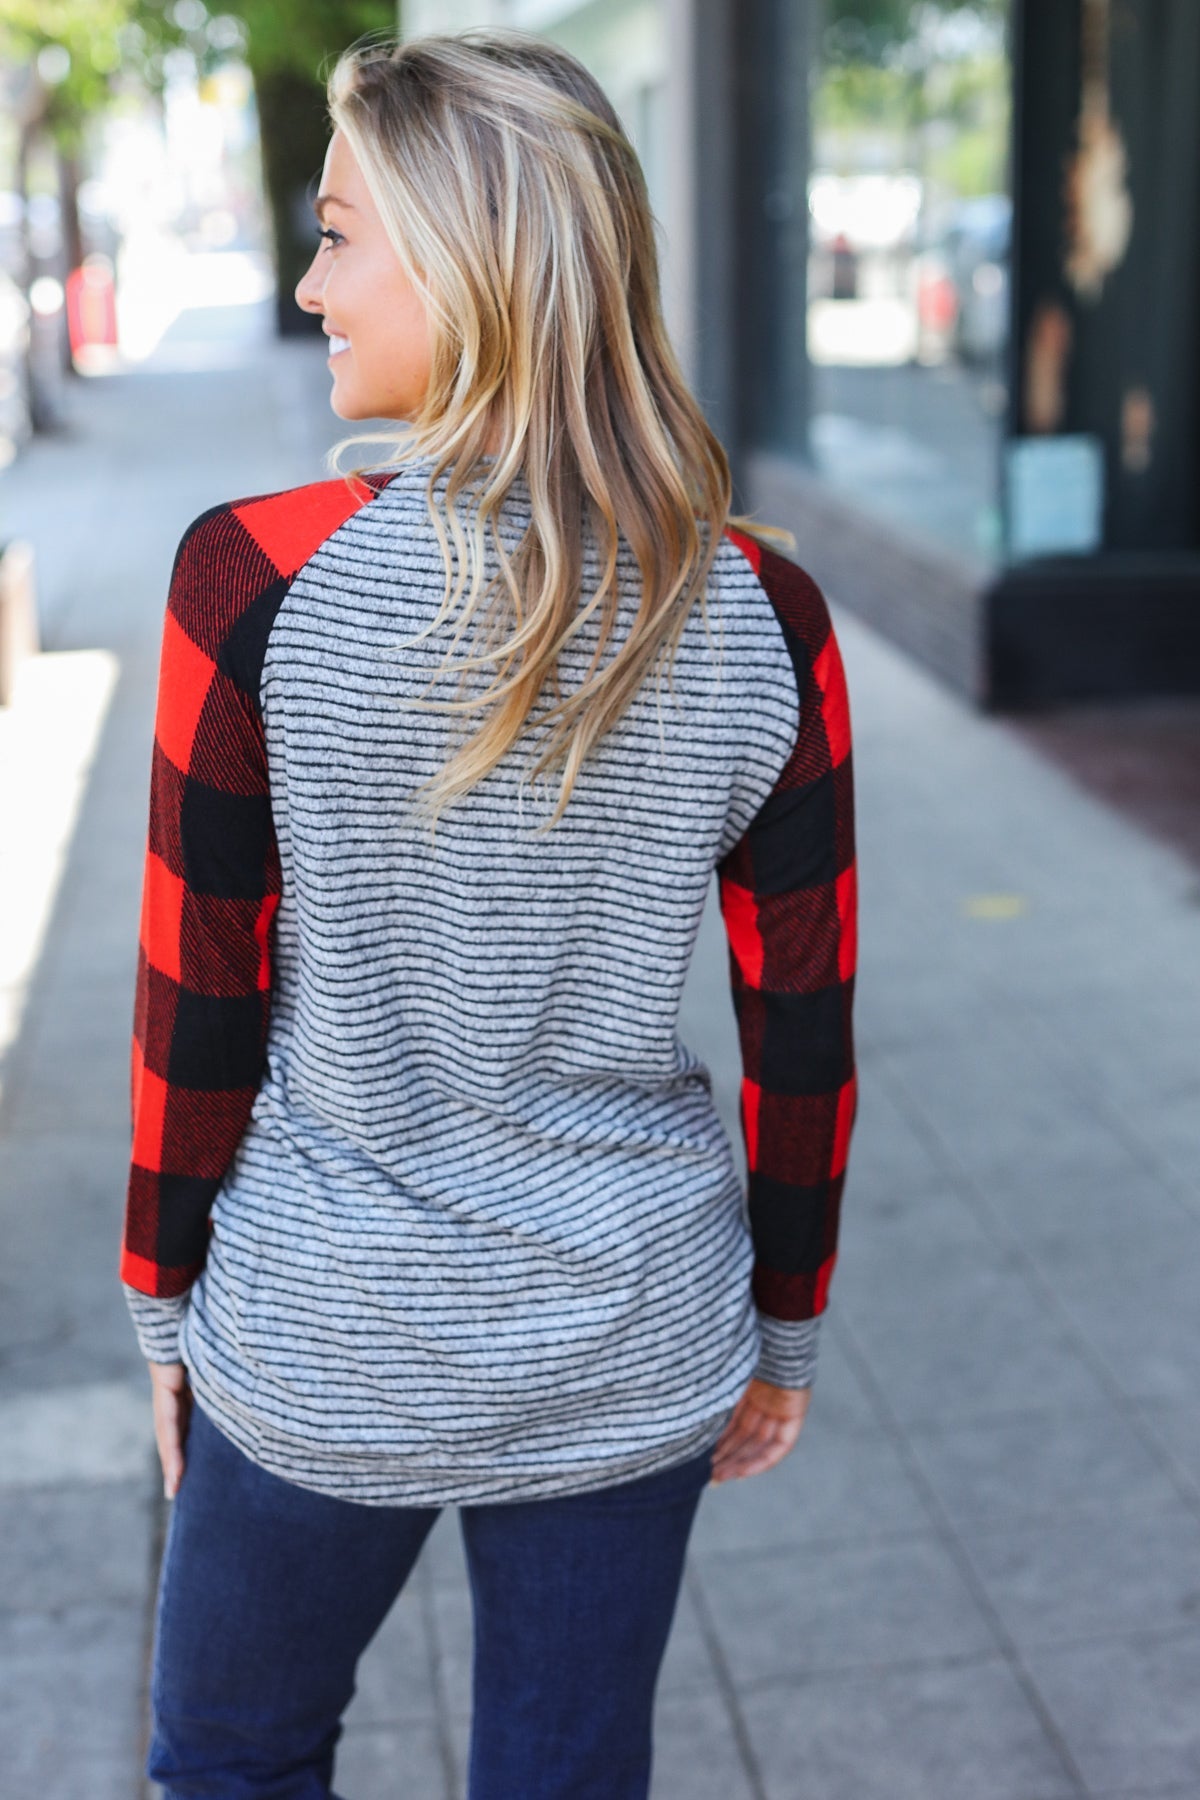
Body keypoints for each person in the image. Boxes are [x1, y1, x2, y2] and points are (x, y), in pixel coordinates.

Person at [120, 30, 858, 1800]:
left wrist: (164, 1307)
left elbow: (193, 1001)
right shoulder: (765, 609)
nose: (310, 288)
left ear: (469, 259)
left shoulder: (257, 579)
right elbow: (802, 1029)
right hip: (631, 1323)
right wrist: (785, 1327)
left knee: (228, 1758)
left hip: (318, 1335)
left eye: (338, 235)